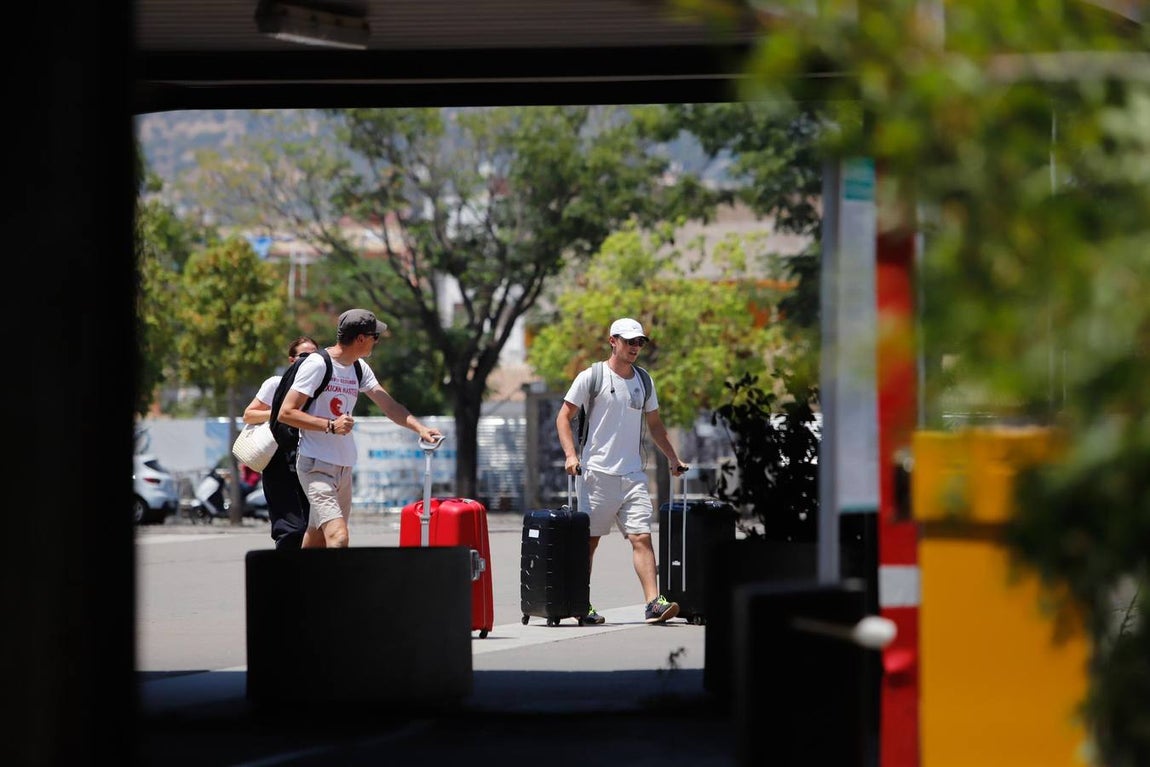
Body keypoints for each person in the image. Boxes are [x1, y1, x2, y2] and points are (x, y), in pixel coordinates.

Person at [555, 317, 690, 625]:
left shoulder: (644, 381)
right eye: (629, 341)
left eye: (639, 342)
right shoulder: (592, 376)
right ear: (612, 341)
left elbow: (655, 426)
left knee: (642, 537)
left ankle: (653, 603)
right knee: (589, 542)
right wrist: (570, 455)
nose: (635, 347)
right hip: (595, 474)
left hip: (632, 475)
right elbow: (563, 417)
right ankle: (580, 604)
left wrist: (673, 457)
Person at [278, 309, 442, 549]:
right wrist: (331, 426)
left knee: (317, 538)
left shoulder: (358, 368)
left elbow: (389, 406)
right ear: (361, 339)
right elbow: (286, 412)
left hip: (344, 467)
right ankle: (340, 587)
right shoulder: (318, 364)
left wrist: (420, 428)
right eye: (375, 336)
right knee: (339, 537)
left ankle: (297, 586)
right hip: (316, 466)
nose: (377, 342)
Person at [242, 335, 319, 548]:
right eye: (304, 355)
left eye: (315, 356)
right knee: (289, 529)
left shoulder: (319, 388)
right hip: (279, 463)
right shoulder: (276, 384)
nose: (309, 360)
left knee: (312, 528)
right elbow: (249, 415)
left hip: (311, 461)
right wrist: (283, 413)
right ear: (291, 360)